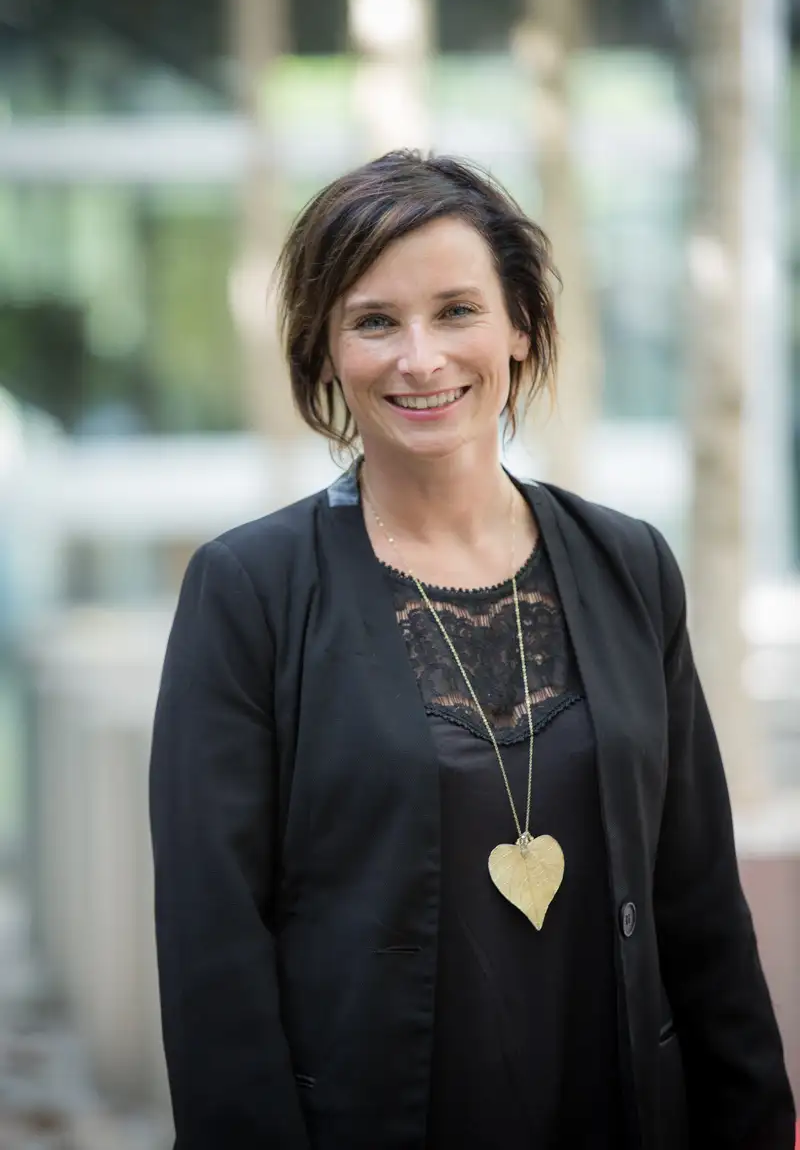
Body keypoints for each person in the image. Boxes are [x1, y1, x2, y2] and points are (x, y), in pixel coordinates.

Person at [149, 150, 795, 1150]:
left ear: (520, 331)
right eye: (374, 321)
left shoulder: (630, 565)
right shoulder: (248, 591)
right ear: (324, 353)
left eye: (456, 311)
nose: (420, 357)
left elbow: (698, 898)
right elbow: (212, 949)